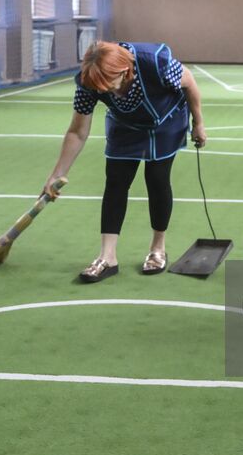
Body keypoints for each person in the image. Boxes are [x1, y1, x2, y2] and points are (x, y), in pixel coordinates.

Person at [42, 41, 207, 282]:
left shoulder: (156, 64)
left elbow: (189, 82)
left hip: (166, 121)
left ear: (123, 71)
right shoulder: (90, 82)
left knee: (157, 179)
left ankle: (157, 249)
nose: (106, 92)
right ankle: (107, 257)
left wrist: (198, 123)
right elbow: (77, 132)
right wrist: (57, 173)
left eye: (109, 85)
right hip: (125, 125)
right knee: (116, 182)